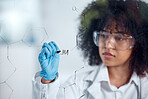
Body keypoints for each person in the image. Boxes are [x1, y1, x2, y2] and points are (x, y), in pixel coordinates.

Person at [32, 0, 148, 99]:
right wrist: (48, 81)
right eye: (104, 35)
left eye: (119, 38)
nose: (108, 45)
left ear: (139, 42)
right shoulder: (77, 83)